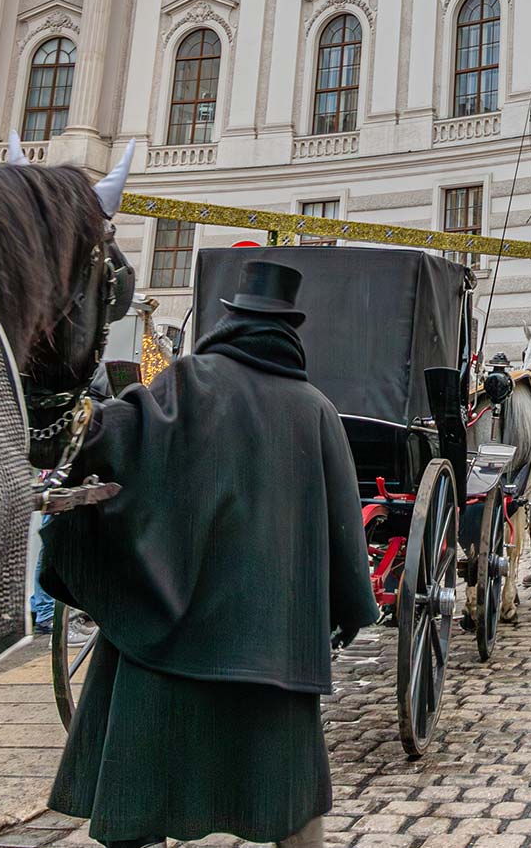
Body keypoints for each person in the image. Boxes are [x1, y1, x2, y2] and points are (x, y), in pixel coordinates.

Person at [38, 261, 377, 848]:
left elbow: (108, 442)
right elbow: (344, 532)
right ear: (288, 330)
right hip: (274, 652)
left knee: (143, 789)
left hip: (172, 633)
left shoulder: (186, 382)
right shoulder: (316, 408)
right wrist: (346, 612)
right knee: (291, 808)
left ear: (231, 320)